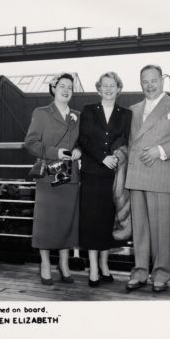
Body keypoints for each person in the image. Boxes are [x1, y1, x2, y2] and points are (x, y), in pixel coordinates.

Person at [125, 65, 170, 293]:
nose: (150, 85)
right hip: (136, 175)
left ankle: (161, 274)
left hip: (162, 173)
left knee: (162, 230)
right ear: (140, 83)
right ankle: (140, 272)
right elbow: (126, 142)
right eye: (145, 81)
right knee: (140, 230)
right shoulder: (132, 110)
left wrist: (160, 150)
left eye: (154, 80)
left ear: (162, 81)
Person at [24, 73, 82, 285]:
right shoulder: (41, 113)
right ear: (53, 89)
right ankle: (45, 264)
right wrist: (56, 153)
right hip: (49, 174)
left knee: (67, 222)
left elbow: (82, 142)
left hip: (70, 175)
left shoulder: (78, 115)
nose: (66, 90)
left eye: (70, 87)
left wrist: (78, 150)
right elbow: (30, 143)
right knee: (46, 223)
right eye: (62, 86)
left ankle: (64, 265)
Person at [78, 72, 132, 287]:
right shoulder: (89, 110)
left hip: (114, 174)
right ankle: (93, 268)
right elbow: (83, 139)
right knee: (92, 221)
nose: (109, 89)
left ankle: (104, 265)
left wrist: (115, 156)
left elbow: (124, 139)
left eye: (113, 85)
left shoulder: (126, 114)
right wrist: (103, 157)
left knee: (108, 221)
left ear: (119, 89)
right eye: (104, 85)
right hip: (92, 172)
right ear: (98, 89)